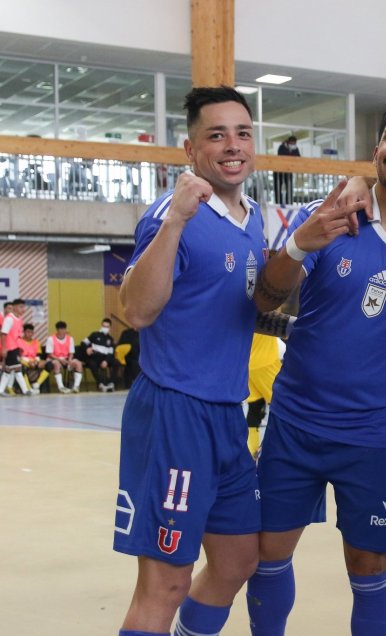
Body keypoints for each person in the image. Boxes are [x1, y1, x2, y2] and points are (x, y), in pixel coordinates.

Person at [246, 99, 386, 636]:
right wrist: (300, 244)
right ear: (376, 151)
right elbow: (263, 299)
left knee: (371, 572)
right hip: (295, 427)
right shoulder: (328, 215)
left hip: (374, 440)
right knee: (266, 557)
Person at [113, 86, 271, 636]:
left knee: (238, 560)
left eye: (242, 133)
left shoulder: (252, 218)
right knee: (165, 584)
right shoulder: (170, 214)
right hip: (174, 413)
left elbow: (228, 306)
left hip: (227, 414)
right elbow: (136, 310)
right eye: (216, 135)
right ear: (190, 149)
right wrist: (176, 221)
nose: (233, 145)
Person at [246, 332, 284, 457]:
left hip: (249, 366)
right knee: (282, 406)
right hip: (266, 362)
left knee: (255, 408)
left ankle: (252, 449)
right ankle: (275, 448)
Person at [0, 298, 30, 396]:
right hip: (9, 348)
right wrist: (4, 348)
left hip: (16, 347)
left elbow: (18, 335)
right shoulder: (9, 319)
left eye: (24, 307)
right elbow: (3, 334)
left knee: (8, 370)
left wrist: (21, 347)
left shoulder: (19, 318)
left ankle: (0, 390)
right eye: (21, 307)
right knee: (17, 368)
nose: (23, 309)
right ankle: (25, 390)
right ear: (15, 307)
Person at [44, 320, 85, 393]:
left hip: (66, 359)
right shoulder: (51, 339)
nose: (63, 331)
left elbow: (71, 353)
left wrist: (69, 360)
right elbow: (50, 354)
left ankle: (76, 387)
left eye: (64, 329)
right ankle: (61, 387)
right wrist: (60, 360)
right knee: (56, 364)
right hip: (54, 359)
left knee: (78, 363)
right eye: (61, 329)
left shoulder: (70, 338)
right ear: (57, 330)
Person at [83, 317, 120, 391]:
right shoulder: (94, 335)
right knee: (92, 363)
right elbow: (84, 342)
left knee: (116, 362)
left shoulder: (110, 339)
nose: (105, 328)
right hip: (95, 357)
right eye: (104, 326)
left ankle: (111, 383)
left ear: (110, 328)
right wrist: (87, 348)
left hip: (105, 358)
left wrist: (106, 361)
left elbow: (111, 353)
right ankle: (101, 384)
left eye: (107, 327)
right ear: (101, 325)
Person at [18, 323, 45, 393]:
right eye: (28, 332)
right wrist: (29, 361)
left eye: (31, 332)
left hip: (34, 361)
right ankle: (28, 388)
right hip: (24, 361)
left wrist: (36, 361)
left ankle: (37, 384)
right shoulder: (18, 341)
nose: (30, 334)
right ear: (24, 332)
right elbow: (18, 355)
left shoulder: (36, 342)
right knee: (21, 367)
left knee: (48, 364)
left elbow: (39, 355)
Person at [274, 135, 301, 205]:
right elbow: (281, 156)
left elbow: (298, 157)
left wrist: (292, 150)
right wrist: (290, 153)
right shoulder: (282, 147)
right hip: (278, 171)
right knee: (278, 187)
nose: (293, 145)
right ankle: (278, 202)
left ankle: (289, 202)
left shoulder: (295, 148)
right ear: (288, 142)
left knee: (289, 187)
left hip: (288, 171)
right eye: (292, 143)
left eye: (294, 144)